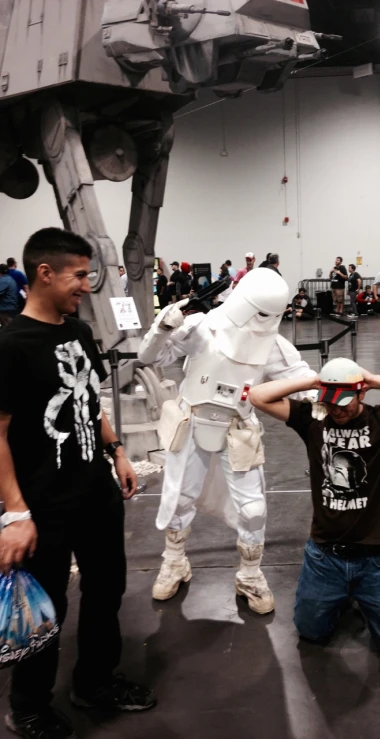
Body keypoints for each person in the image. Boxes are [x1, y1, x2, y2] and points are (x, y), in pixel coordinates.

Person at [0, 228, 155, 739]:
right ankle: (27, 707)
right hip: (45, 505)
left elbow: (88, 401)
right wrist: (16, 512)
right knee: (48, 609)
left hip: (96, 493)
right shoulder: (11, 346)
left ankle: (94, 681)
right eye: (80, 275)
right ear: (45, 273)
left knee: (107, 589)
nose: (87, 285)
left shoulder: (79, 333)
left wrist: (116, 451)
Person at [138, 269, 316, 614]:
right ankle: (174, 560)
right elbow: (151, 358)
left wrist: (332, 387)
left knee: (253, 510)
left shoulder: (274, 345)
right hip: (191, 424)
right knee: (179, 498)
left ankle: (250, 575)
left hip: (238, 431)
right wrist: (161, 328)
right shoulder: (203, 327)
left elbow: (302, 379)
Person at [249, 357, 380, 651]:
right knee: (310, 632)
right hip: (325, 555)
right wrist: (314, 381)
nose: (337, 410)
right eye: (330, 401)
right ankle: (344, 596)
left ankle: (373, 595)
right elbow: (258, 396)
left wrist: (374, 378)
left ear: (361, 393)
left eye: (346, 401)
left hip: (375, 557)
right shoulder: (312, 420)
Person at [0, 262, 19, 327]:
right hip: (10, 308)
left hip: (6, 310)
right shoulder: (10, 279)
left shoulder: (4, 280)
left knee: (8, 329)